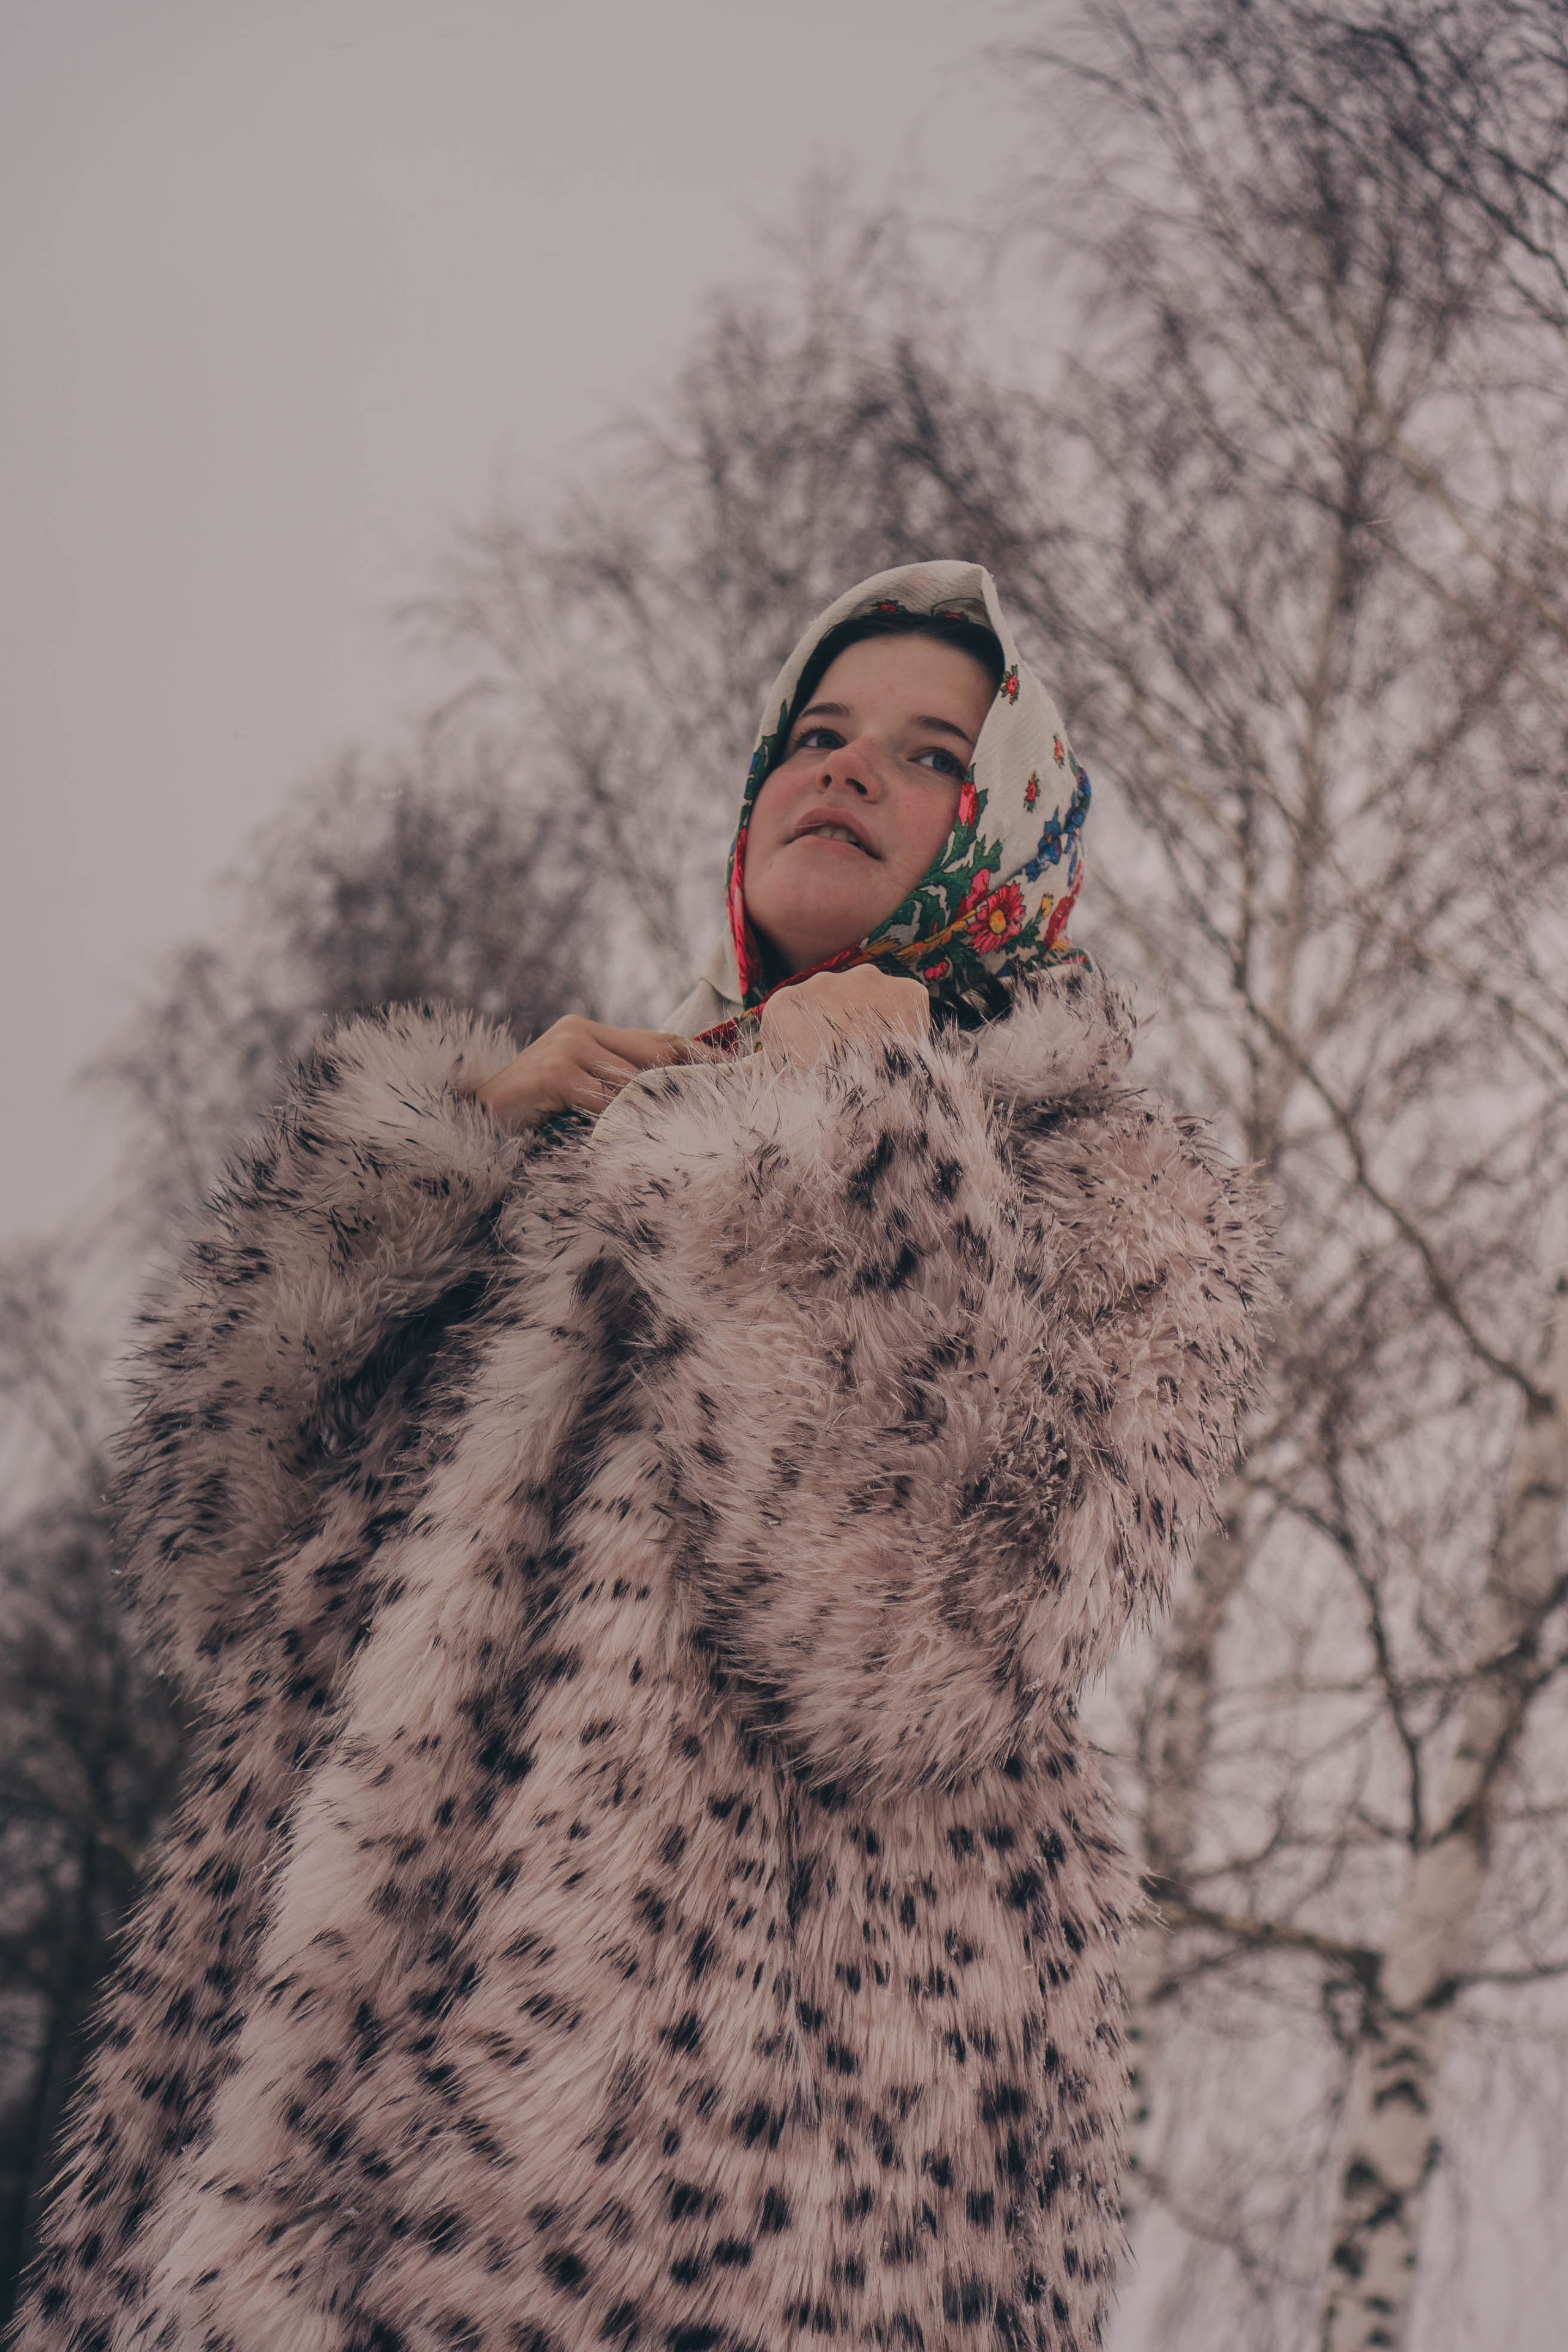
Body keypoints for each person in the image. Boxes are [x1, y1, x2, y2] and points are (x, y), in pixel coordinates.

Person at [18, 562, 1268, 2352]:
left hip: (734, 2219)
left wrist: (857, 1135)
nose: (845, 769)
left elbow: (914, 1642)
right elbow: (222, 1575)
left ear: (1006, 829)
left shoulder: (1104, 1188)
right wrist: (431, 1169)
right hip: (278, 2174)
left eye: (930, 749)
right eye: (816, 733)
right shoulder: (595, 1154)